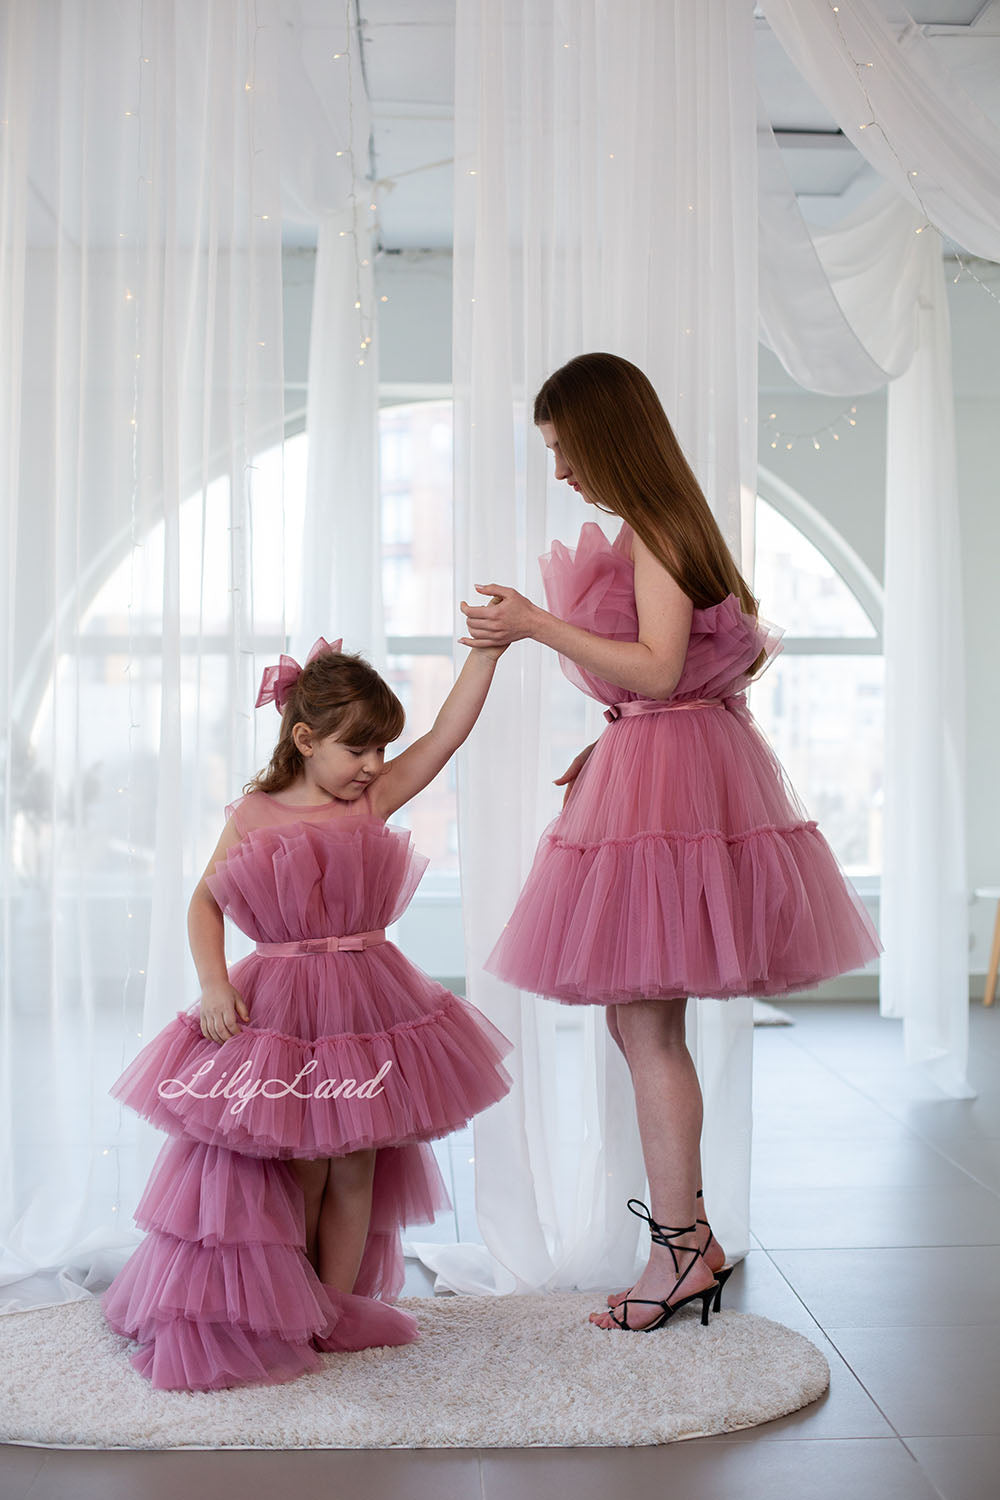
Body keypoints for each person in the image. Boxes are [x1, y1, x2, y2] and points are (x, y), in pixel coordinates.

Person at [460, 351, 881, 1333]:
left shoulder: (655, 531)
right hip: (672, 766)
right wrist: (610, 759)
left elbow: (653, 669)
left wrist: (532, 625)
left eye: (564, 449)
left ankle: (684, 1249)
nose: (561, 471)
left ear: (607, 437)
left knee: (645, 1028)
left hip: (671, 780)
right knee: (638, 1025)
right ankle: (687, 1240)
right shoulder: (675, 526)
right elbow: (693, 674)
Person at [101, 636, 513, 1389]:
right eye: (360, 748)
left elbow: (445, 738)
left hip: (365, 1000)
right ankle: (293, 1305)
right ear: (304, 739)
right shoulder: (255, 812)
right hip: (283, 1006)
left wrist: (485, 658)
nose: (375, 766)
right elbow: (204, 899)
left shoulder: (372, 800)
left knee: (357, 1159)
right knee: (302, 1166)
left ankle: (342, 1305)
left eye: (382, 749)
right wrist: (214, 983)